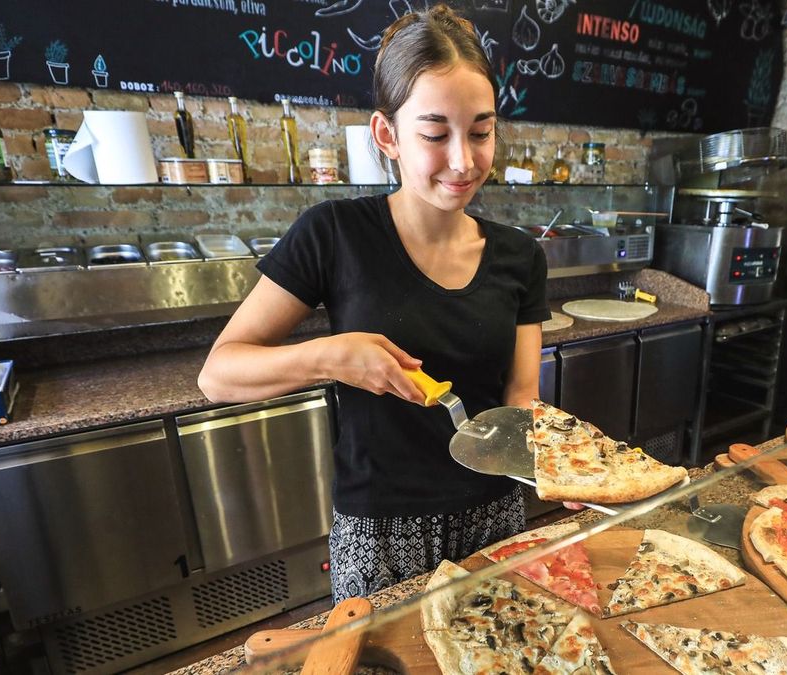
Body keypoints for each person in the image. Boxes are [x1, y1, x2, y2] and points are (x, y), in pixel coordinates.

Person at [197, 4, 549, 603]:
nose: (464, 160)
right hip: (381, 532)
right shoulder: (334, 234)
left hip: (495, 520)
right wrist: (334, 356)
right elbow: (219, 374)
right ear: (387, 135)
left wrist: (560, 463)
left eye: (482, 131)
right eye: (436, 134)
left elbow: (520, 397)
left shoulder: (520, 256)